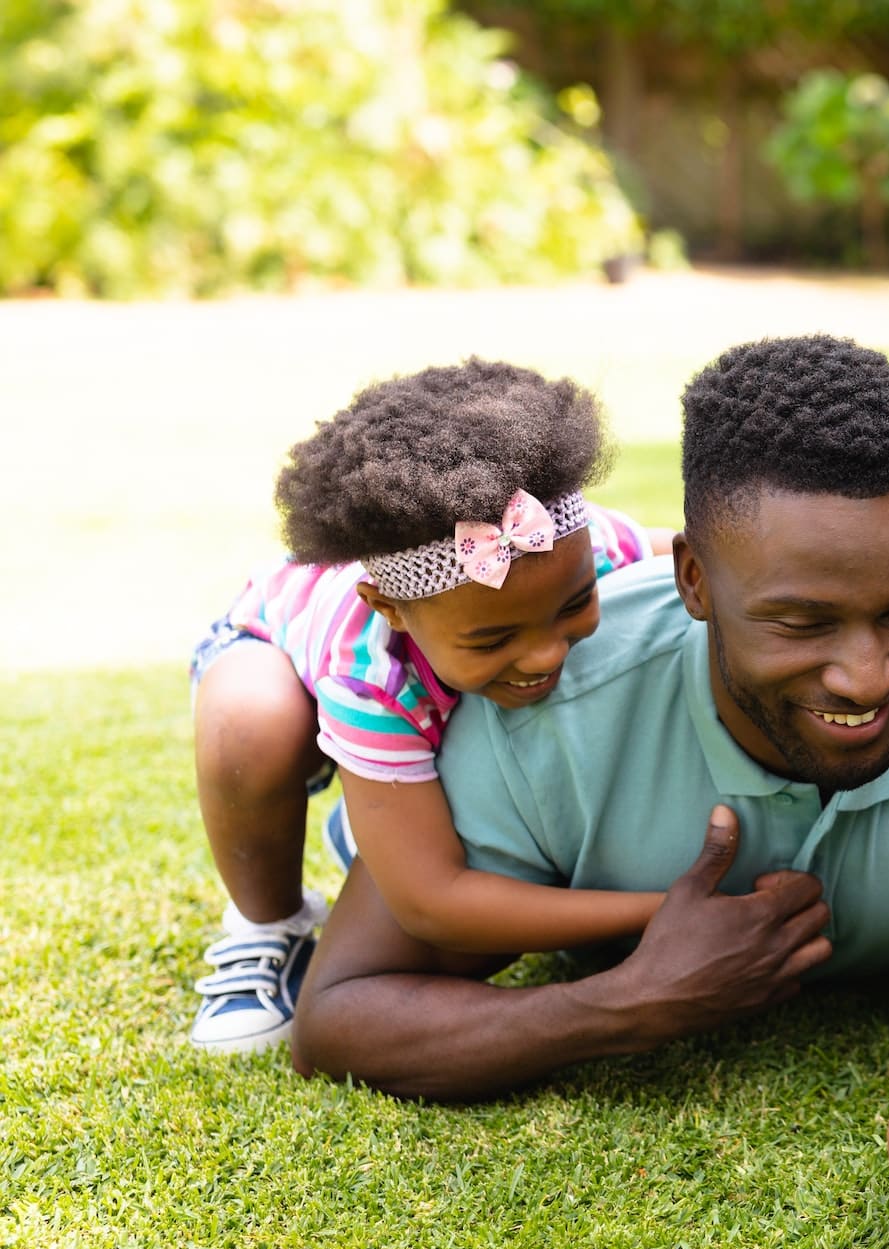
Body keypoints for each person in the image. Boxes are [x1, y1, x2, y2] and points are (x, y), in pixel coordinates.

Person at [288, 335, 889, 1111]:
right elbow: (342, 1014)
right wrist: (623, 1004)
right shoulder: (542, 722)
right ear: (693, 579)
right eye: (802, 622)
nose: (866, 675)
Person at [186, 360, 675, 1055]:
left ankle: (373, 831)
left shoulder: (577, 543)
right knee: (251, 727)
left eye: (573, 605)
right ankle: (270, 925)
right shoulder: (372, 677)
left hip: (439, 672)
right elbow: (431, 899)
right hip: (274, 646)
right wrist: (659, 913)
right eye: (496, 635)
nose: (544, 654)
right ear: (392, 610)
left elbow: (690, 564)